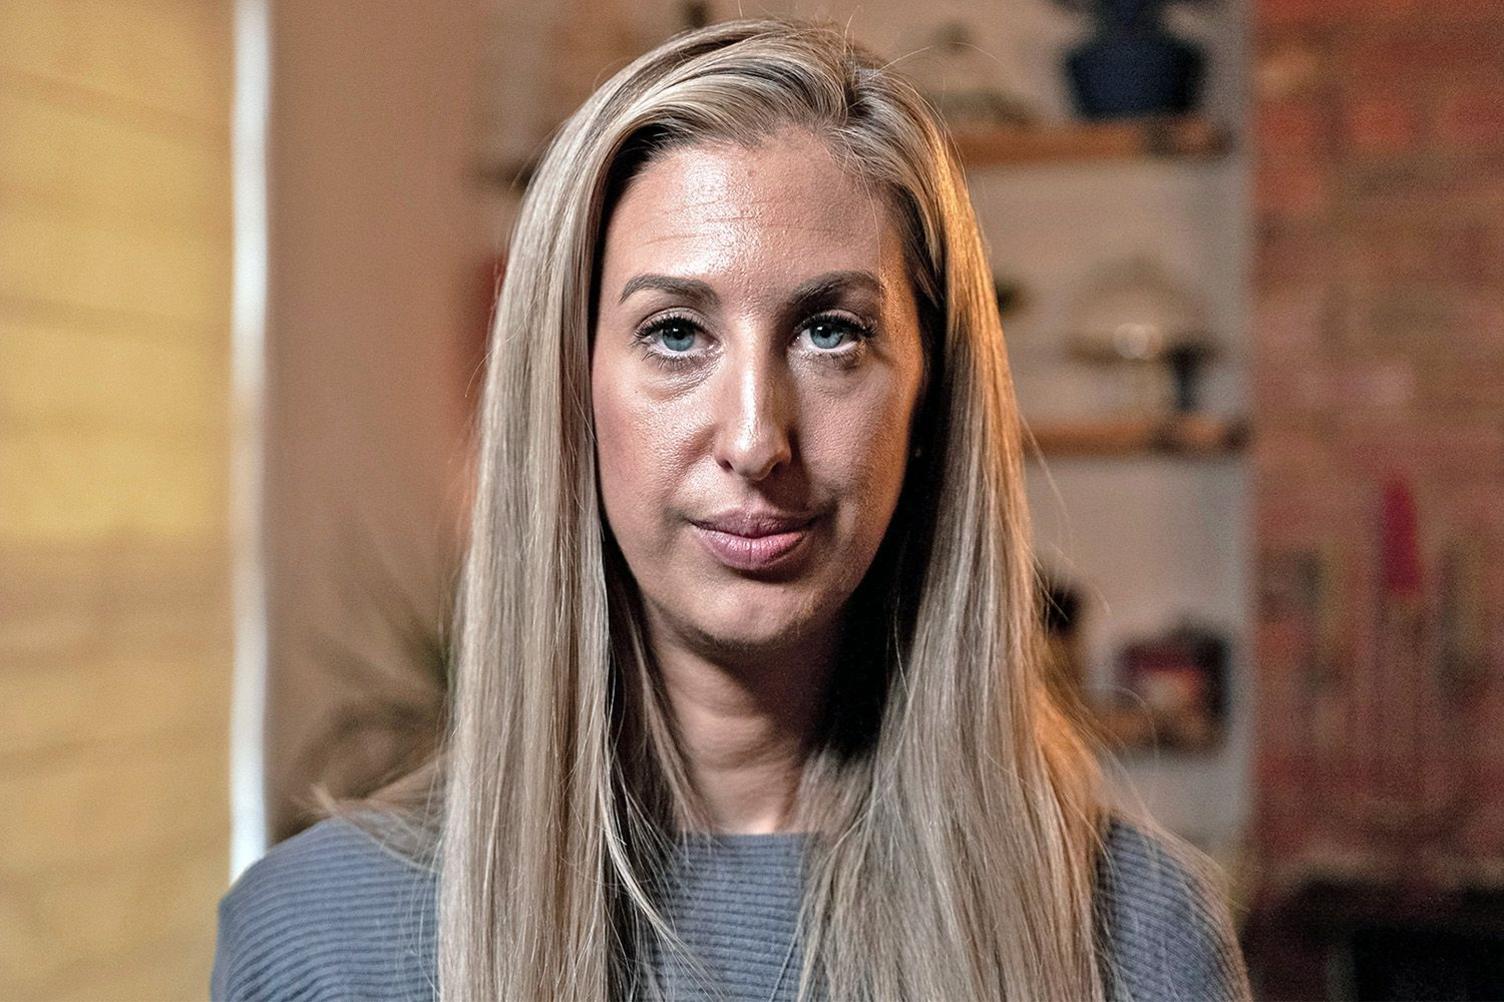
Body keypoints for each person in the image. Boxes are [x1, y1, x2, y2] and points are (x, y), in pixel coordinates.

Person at [212, 17, 1253, 1002]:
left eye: (831, 332)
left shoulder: (1131, 934)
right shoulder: (322, 941)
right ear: (569, 395)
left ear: (930, 399)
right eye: (674, 333)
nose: (756, 438)